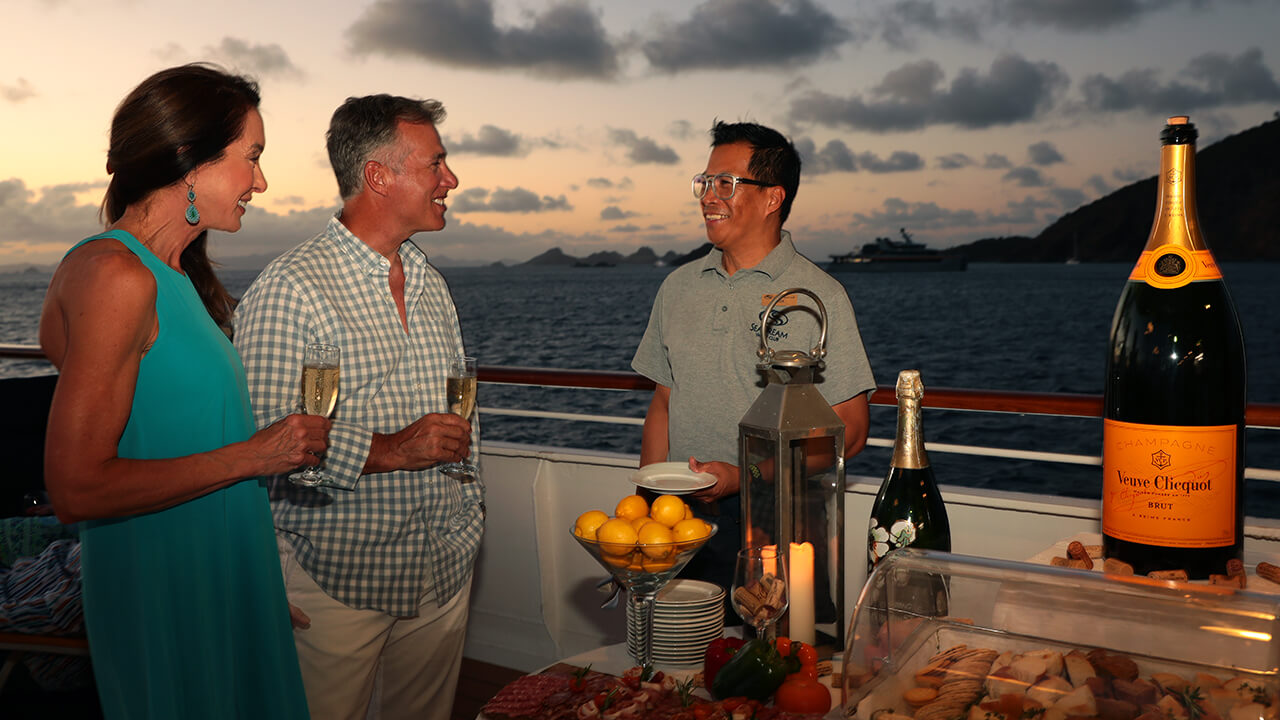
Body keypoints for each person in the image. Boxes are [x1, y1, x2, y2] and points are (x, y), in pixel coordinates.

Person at [37, 64, 326, 719]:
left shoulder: (166, 275)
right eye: (251, 157)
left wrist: (245, 568)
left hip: (214, 568)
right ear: (192, 161)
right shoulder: (115, 273)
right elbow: (76, 487)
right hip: (164, 583)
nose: (261, 180)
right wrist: (257, 455)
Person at [233, 94, 482, 720]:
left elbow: (457, 414)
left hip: (442, 563)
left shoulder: (430, 282)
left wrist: (467, 514)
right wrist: (395, 449)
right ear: (379, 176)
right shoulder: (293, 288)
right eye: (436, 164)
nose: (450, 179)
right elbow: (265, 439)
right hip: (336, 577)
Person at [631, 121, 876, 603]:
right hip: (677, 518)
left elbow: (851, 429)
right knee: (672, 661)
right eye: (704, 183)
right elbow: (663, 403)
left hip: (777, 519)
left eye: (726, 183)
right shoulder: (677, 288)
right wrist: (646, 507)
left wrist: (746, 475)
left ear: (772, 198)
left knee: (767, 665)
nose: (707, 197)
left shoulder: (819, 296)